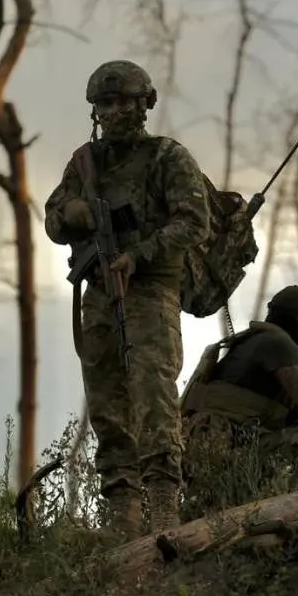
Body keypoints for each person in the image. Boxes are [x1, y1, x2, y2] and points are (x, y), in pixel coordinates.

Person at [44, 60, 210, 536]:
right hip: (99, 291)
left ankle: (163, 509)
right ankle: (122, 514)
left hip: (151, 289)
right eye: (106, 104)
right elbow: (53, 219)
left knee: (154, 394)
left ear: (144, 105)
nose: (115, 112)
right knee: (105, 399)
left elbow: (192, 221)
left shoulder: (167, 158)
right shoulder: (85, 163)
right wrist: (76, 213)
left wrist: (139, 253)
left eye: (124, 102)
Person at [181, 285, 298, 468]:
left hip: (211, 449)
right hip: (225, 448)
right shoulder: (279, 343)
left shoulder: (253, 341)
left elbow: (269, 411)